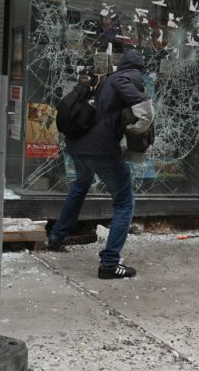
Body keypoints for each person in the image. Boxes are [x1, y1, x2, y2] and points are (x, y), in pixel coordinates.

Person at [47, 51, 149, 279]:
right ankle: (110, 263)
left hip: (77, 145)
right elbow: (130, 92)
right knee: (124, 202)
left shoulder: (105, 79)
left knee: (80, 185)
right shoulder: (126, 77)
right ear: (138, 69)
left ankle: (56, 237)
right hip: (100, 150)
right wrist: (145, 108)